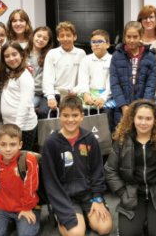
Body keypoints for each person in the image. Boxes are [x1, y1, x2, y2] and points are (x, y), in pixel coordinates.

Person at [105, 99, 156, 236]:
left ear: (155, 120)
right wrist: (122, 192)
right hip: (132, 195)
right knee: (128, 234)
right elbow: (110, 169)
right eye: (140, 118)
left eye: (148, 118)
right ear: (133, 118)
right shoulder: (122, 140)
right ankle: (143, 222)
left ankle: (149, 222)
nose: (143, 122)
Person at [42, 96, 113, 236]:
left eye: (75, 115)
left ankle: (85, 216)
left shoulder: (89, 138)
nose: (70, 120)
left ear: (82, 116)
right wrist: (62, 207)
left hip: (88, 195)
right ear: (59, 116)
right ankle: (65, 217)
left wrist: (97, 198)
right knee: (76, 233)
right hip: (65, 198)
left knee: (105, 228)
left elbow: (97, 171)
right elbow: (50, 182)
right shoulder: (51, 143)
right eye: (66, 115)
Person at [0, 124, 40, 236]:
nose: (8, 149)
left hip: (26, 207)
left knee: (26, 234)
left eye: (13, 144)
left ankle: (20, 224)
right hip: (2, 208)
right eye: (3, 144)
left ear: (20, 145)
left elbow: (31, 186)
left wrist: (26, 208)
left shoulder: (28, 160)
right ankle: (10, 224)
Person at [110, 21, 156, 125]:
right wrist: (123, 105)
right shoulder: (116, 56)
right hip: (122, 108)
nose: (131, 40)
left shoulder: (150, 56)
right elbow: (115, 83)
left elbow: (151, 84)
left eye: (135, 37)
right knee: (122, 137)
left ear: (141, 36)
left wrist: (144, 106)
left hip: (143, 107)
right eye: (128, 37)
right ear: (124, 37)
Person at [0, 41, 38, 151]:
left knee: (22, 161)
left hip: (23, 128)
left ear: (21, 55)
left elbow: (25, 104)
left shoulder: (25, 76)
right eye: (7, 56)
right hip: (10, 126)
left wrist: (17, 129)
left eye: (14, 54)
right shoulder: (9, 73)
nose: (11, 58)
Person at [43, 21, 87, 114]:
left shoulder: (81, 53)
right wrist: (51, 97)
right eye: (62, 35)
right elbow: (47, 79)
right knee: (44, 111)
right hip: (55, 93)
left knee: (82, 111)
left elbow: (83, 79)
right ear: (58, 38)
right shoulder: (52, 54)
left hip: (74, 94)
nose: (65, 38)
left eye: (68, 35)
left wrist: (75, 91)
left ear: (74, 37)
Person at [78, 29, 112, 110]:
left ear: (107, 44)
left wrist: (103, 98)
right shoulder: (85, 59)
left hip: (107, 95)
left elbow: (111, 83)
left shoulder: (113, 60)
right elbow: (83, 81)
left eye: (100, 41)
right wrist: (86, 94)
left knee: (106, 113)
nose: (97, 44)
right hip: (89, 94)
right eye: (93, 42)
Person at [25, 26, 53, 119]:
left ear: (48, 42)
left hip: (37, 94)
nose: (41, 40)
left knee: (25, 108)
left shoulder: (48, 57)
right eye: (39, 36)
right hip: (21, 92)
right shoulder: (23, 53)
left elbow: (41, 82)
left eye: (45, 38)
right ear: (33, 36)